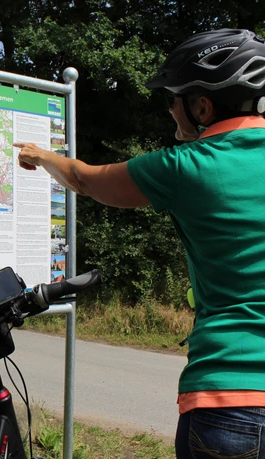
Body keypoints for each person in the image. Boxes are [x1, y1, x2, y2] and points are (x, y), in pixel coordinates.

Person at [14, 28, 265, 457]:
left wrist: (40, 155)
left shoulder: (188, 165)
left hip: (230, 396)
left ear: (203, 106)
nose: (171, 109)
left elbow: (85, 179)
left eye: (176, 99)